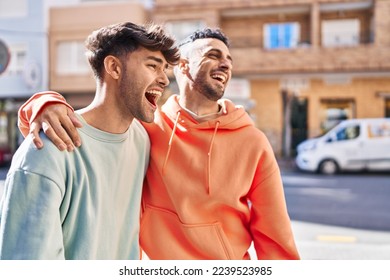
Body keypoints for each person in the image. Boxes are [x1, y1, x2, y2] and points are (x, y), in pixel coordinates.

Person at [17, 28, 300, 260]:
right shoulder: (149, 128)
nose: (225, 63)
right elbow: (102, 122)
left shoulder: (253, 141)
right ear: (184, 67)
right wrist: (43, 103)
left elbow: (275, 238)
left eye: (228, 59)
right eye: (213, 55)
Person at [0, 21, 179, 259]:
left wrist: (44, 101)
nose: (164, 79)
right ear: (114, 68)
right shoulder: (47, 149)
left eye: (164, 69)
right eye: (153, 66)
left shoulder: (142, 139)